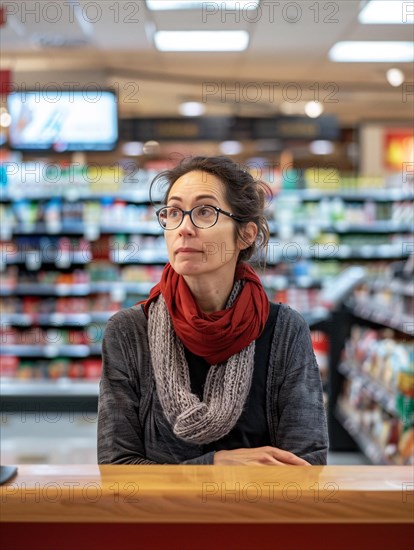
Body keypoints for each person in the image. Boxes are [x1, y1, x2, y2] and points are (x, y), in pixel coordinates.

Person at [97, 156, 328, 465]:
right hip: (161, 515)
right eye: (174, 212)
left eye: (205, 211)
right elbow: (117, 468)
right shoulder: (128, 331)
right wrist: (215, 467)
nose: (184, 228)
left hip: (257, 512)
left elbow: (306, 464)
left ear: (246, 233)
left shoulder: (284, 330)